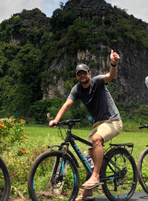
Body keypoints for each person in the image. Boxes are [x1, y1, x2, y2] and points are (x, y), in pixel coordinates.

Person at [49, 50, 122, 201]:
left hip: (113, 121)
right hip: (98, 123)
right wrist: (56, 119)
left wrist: (113, 63)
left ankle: (96, 176)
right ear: (77, 76)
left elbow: (111, 75)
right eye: (79, 74)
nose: (82, 75)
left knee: (96, 140)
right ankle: (88, 191)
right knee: (90, 154)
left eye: (84, 73)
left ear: (89, 73)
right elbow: (67, 104)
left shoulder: (97, 81)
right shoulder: (76, 89)